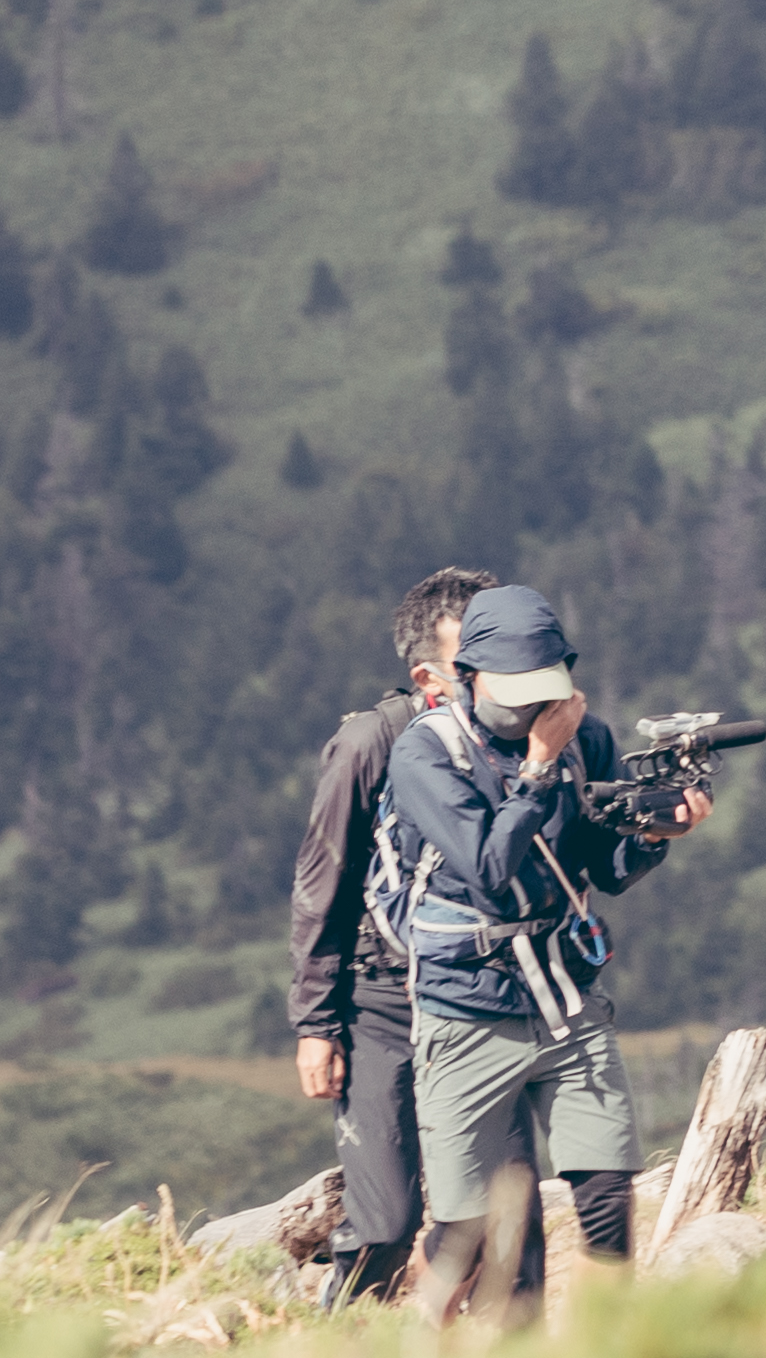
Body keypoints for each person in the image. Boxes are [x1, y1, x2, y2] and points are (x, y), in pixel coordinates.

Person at [382, 578, 706, 1319]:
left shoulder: (587, 738)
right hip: (466, 1008)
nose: (530, 704)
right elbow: (489, 872)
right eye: (513, 688)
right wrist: (536, 767)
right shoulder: (426, 755)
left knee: (605, 1188)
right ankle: (415, 1347)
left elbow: (602, 867)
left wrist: (658, 835)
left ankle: (606, 1344)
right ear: (466, 676)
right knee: (467, 1225)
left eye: (543, 688)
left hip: (564, 994)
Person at [286, 564, 526, 1310]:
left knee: (499, 1211)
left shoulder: (519, 738)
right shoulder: (369, 744)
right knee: (387, 1216)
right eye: (475, 656)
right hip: (380, 1001)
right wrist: (317, 1024)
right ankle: (339, 1346)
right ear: (429, 671)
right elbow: (320, 883)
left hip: (481, 994)